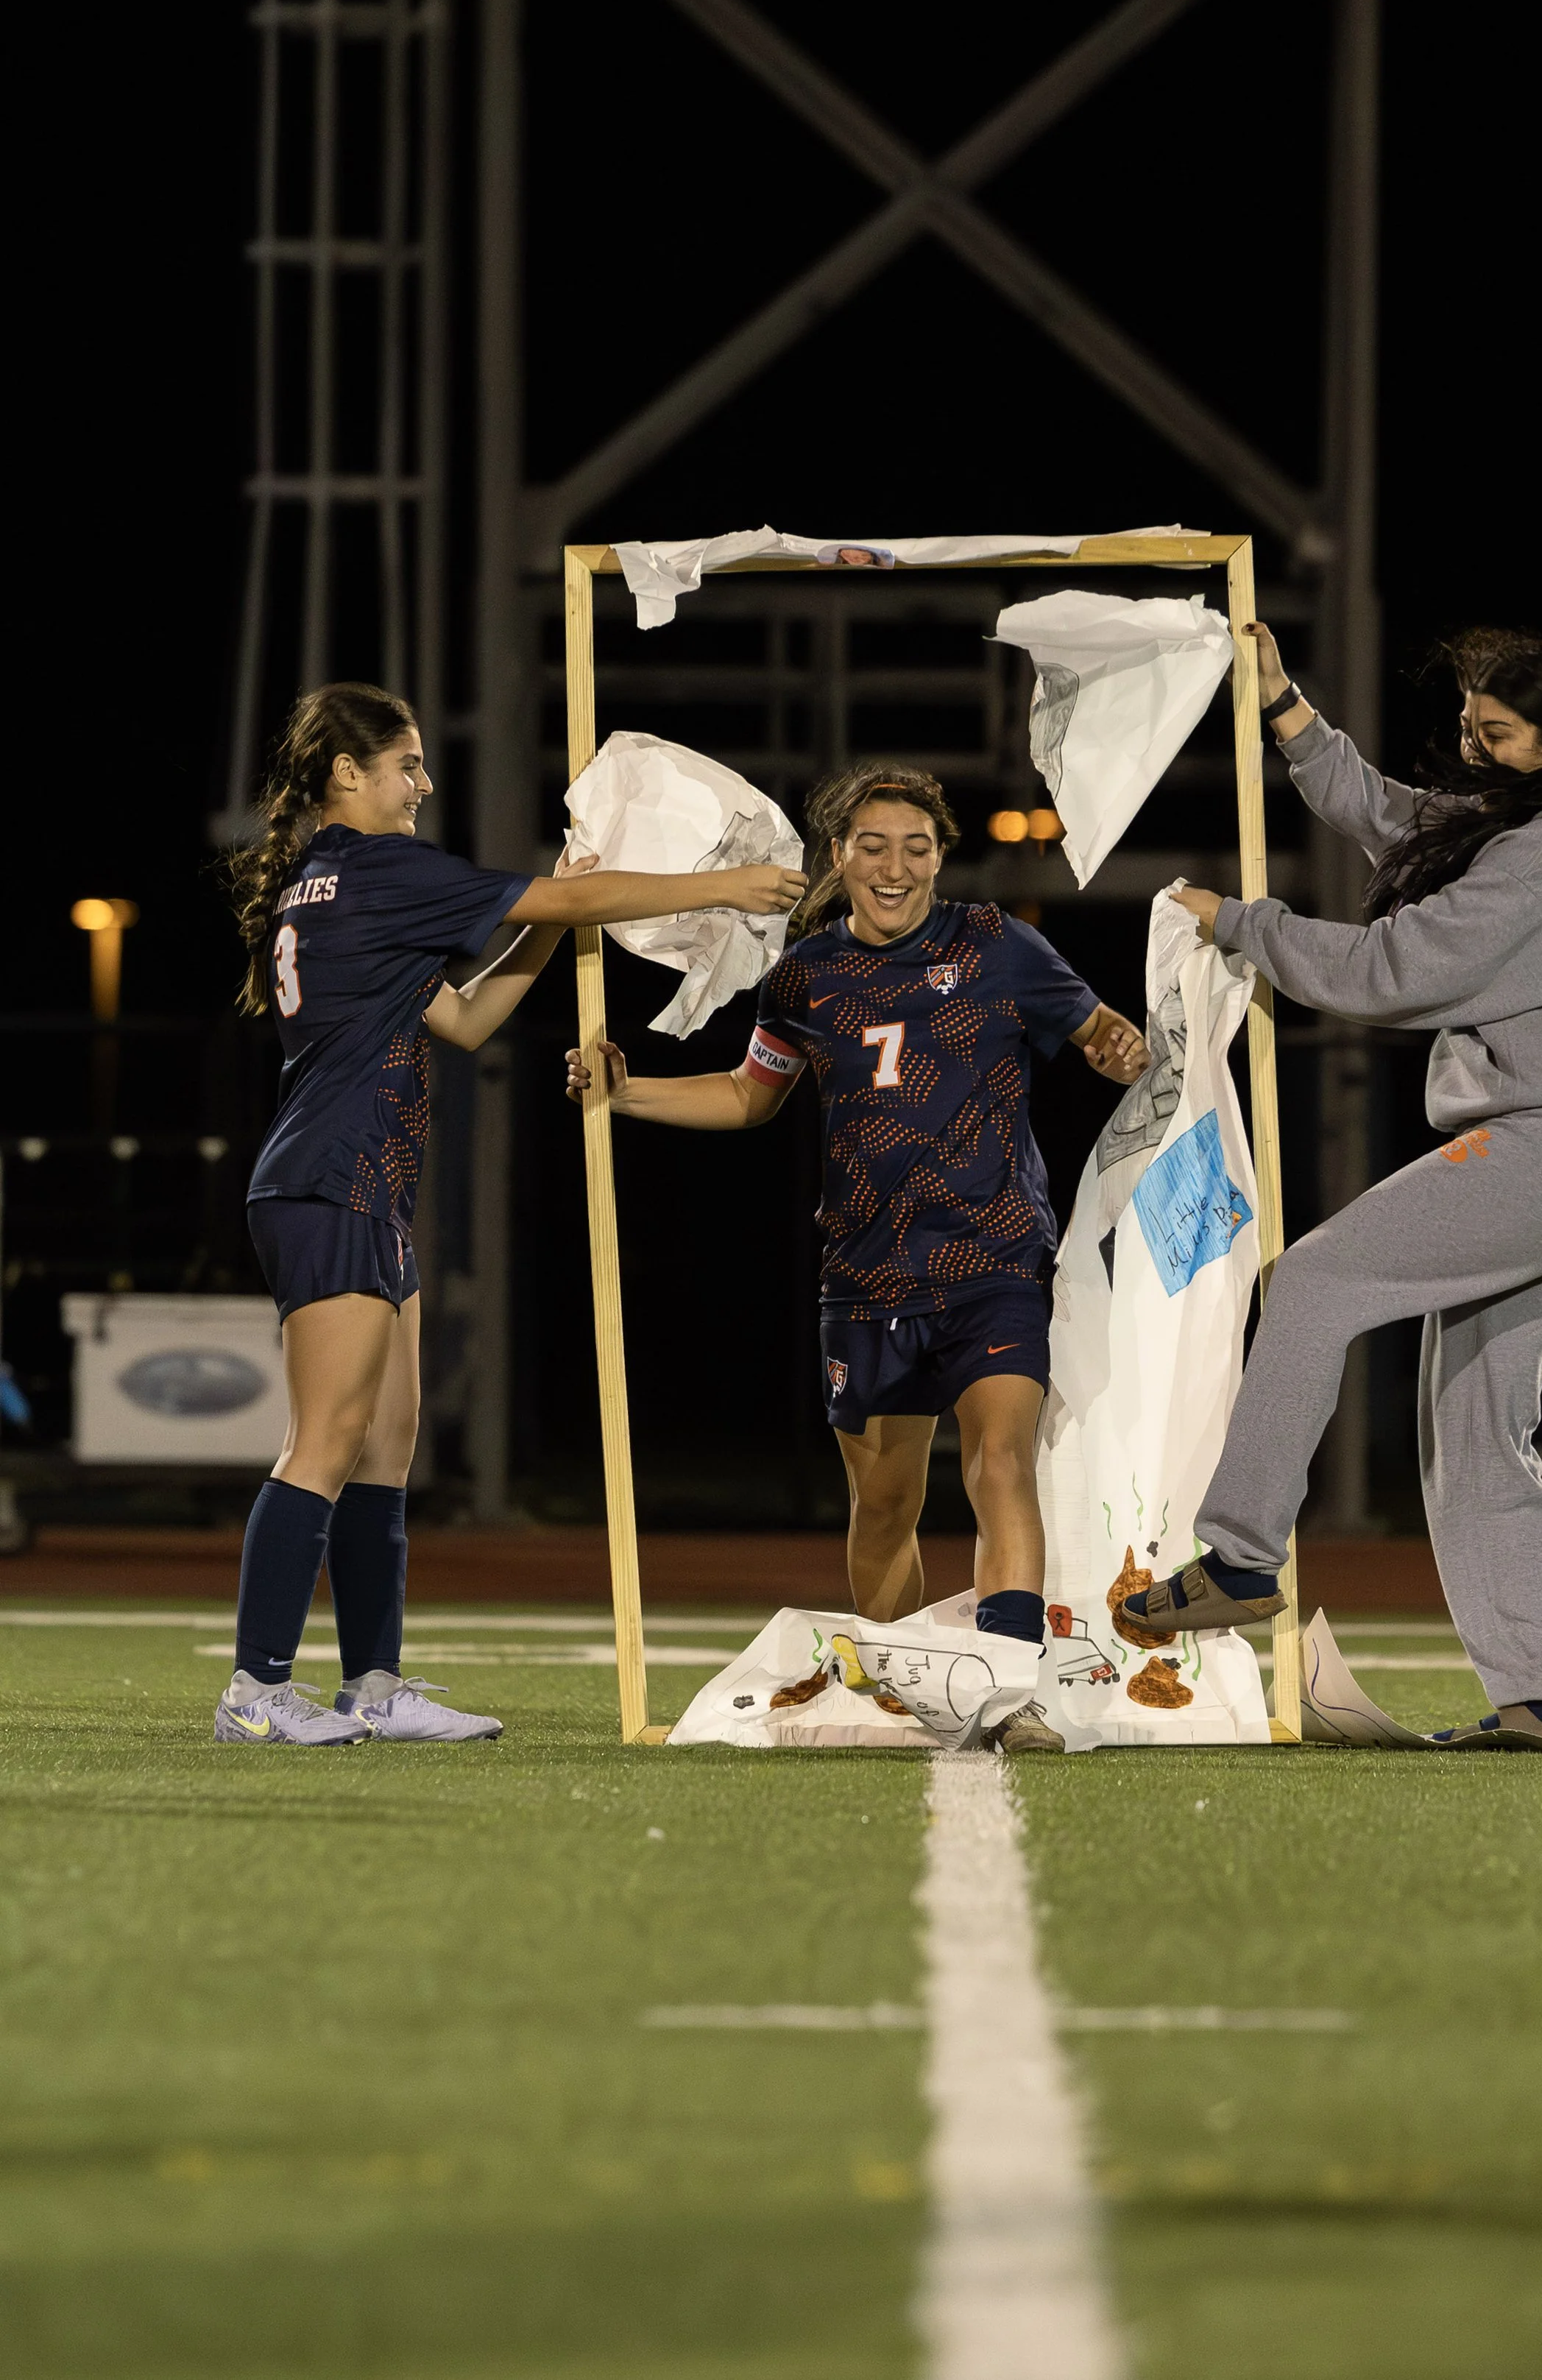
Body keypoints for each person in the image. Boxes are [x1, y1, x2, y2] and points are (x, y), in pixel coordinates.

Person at [1124, 622, 1542, 1753]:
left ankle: (1238, 1554)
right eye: (1467, 727)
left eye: (1497, 733)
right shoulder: (1533, 816)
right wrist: (1288, 712)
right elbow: (1392, 814)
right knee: (1479, 1436)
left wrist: (1241, 924)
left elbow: (1397, 969)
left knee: (1318, 1278)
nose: (1472, 751)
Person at [216, 681, 804, 1748]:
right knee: (327, 1442)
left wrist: (549, 917)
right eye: (407, 764)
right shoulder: (379, 866)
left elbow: (470, 1016)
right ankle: (255, 1690)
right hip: (332, 1176)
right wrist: (728, 882)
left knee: (387, 1449)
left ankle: (374, 1685)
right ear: (348, 776)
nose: (424, 783)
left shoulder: (329, 881)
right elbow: (562, 904)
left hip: (362, 1183)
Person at [566, 763, 1149, 1756]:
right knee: (886, 1508)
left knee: (1003, 1464)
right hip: (869, 1279)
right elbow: (753, 1096)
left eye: (916, 846)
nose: (895, 865)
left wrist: (1115, 1042)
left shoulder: (998, 946)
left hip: (992, 1258)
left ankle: (1007, 1684)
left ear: (940, 856)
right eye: (873, 845)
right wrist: (625, 1094)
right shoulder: (805, 976)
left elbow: (1096, 1030)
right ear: (838, 856)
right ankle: (915, 1682)